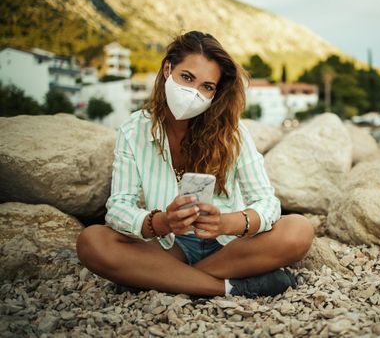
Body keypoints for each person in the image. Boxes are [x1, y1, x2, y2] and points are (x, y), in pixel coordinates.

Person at [76, 31, 315, 298]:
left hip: (230, 246)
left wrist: (228, 223)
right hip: (170, 246)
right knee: (92, 242)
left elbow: (267, 203)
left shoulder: (232, 132)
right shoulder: (134, 129)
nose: (193, 92)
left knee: (299, 230)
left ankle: (165, 279)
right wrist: (162, 222)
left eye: (207, 87)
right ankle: (229, 287)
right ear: (168, 69)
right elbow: (118, 207)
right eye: (187, 78)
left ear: (216, 93)